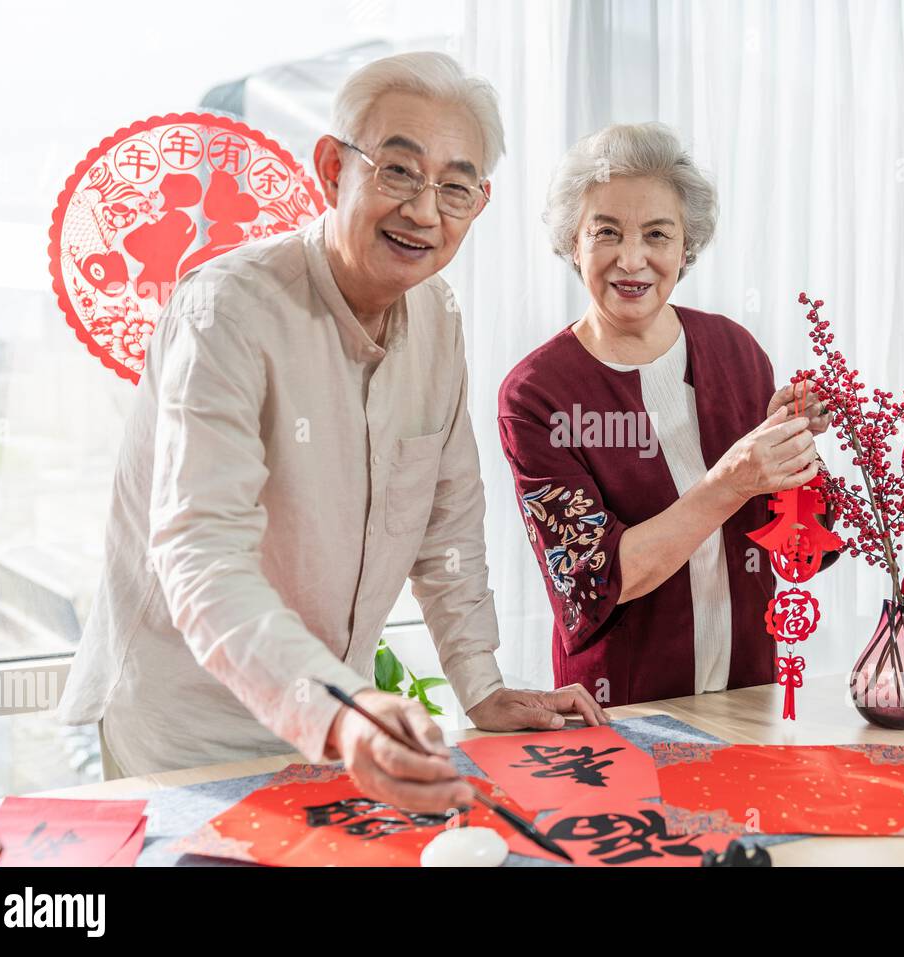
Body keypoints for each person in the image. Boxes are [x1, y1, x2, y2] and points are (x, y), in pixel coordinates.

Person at [57, 53, 605, 812]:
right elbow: (200, 552)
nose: (423, 211)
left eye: (454, 188)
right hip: (189, 736)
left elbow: (448, 517)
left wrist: (478, 682)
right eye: (398, 171)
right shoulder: (227, 310)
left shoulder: (438, 317)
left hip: (336, 735)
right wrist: (342, 712)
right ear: (330, 168)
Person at [497, 123, 838, 707]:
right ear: (572, 243)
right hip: (623, 707)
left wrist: (792, 452)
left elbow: (800, 544)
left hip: (750, 687)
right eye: (606, 233)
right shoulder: (537, 394)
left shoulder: (735, 350)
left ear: (687, 247)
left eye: (657, 234)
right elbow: (596, 578)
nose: (633, 260)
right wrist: (733, 480)